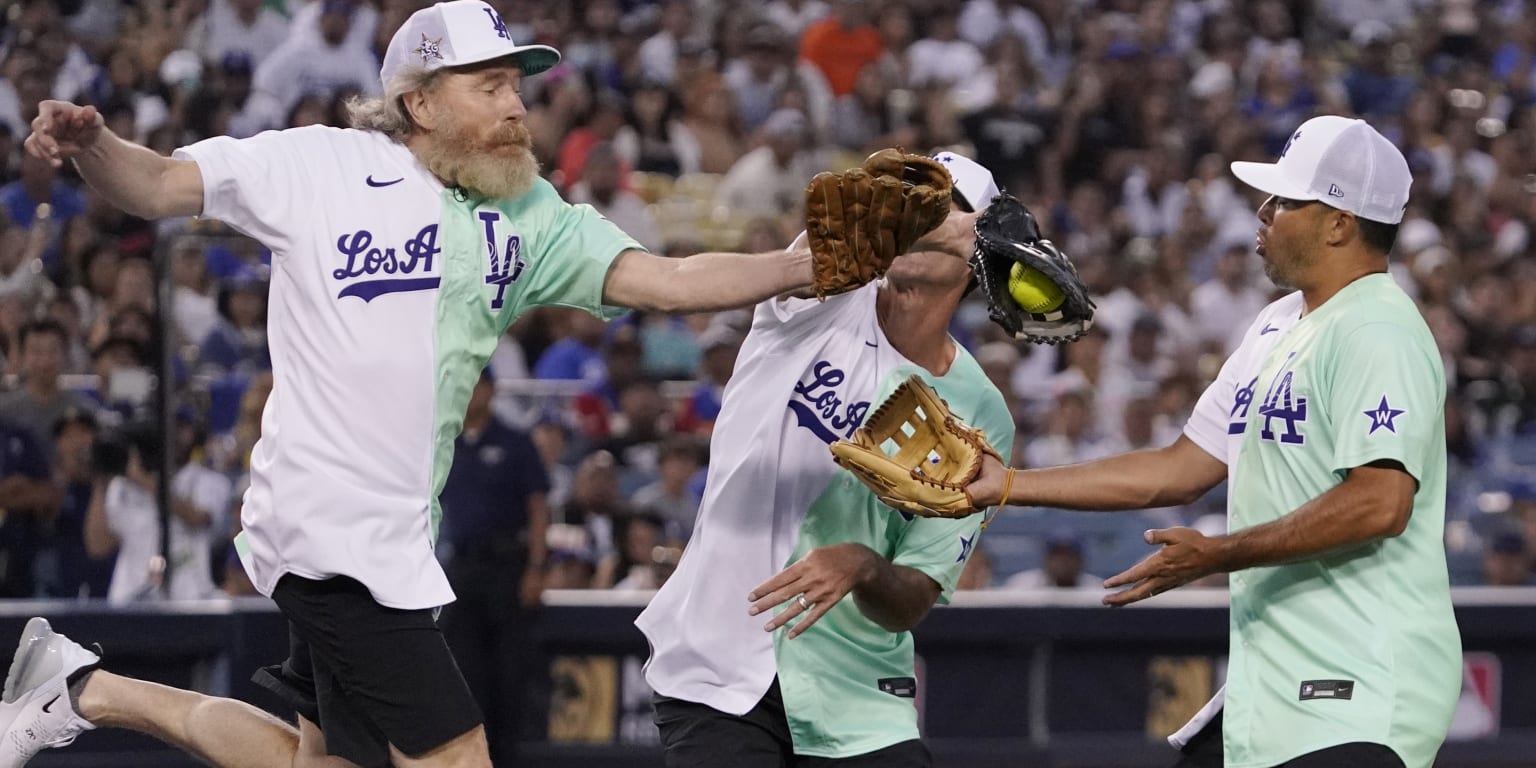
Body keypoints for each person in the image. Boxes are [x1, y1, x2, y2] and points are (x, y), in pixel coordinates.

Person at [7, 2, 967, 767]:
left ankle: (82, 690)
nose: (518, 104)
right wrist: (94, 145)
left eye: (521, 85)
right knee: (458, 757)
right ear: (420, 101)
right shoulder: (319, 165)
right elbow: (161, 186)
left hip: (397, 534)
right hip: (327, 526)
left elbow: (668, 281)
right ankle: (79, 692)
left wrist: (796, 269)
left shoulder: (530, 216)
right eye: (493, 84)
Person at [963, 116, 1460, 768]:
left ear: (1340, 222)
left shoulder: (1378, 329)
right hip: (1279, 683)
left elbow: (1380, 502)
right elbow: (1180, 468)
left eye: (1284, 201)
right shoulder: (1276, 325)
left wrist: (1218, 554)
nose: (1263, 212)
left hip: (1360, 682)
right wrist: (1005, 485)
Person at [635, 152, 1012, 767]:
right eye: (907, 201)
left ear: (977, 253)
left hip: (857, 694)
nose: (914, 215)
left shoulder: (980, 411)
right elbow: (836, 237)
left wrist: (864, 564)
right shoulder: (824, 296)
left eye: (944, 207)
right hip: (720, 660)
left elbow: (915, 594)